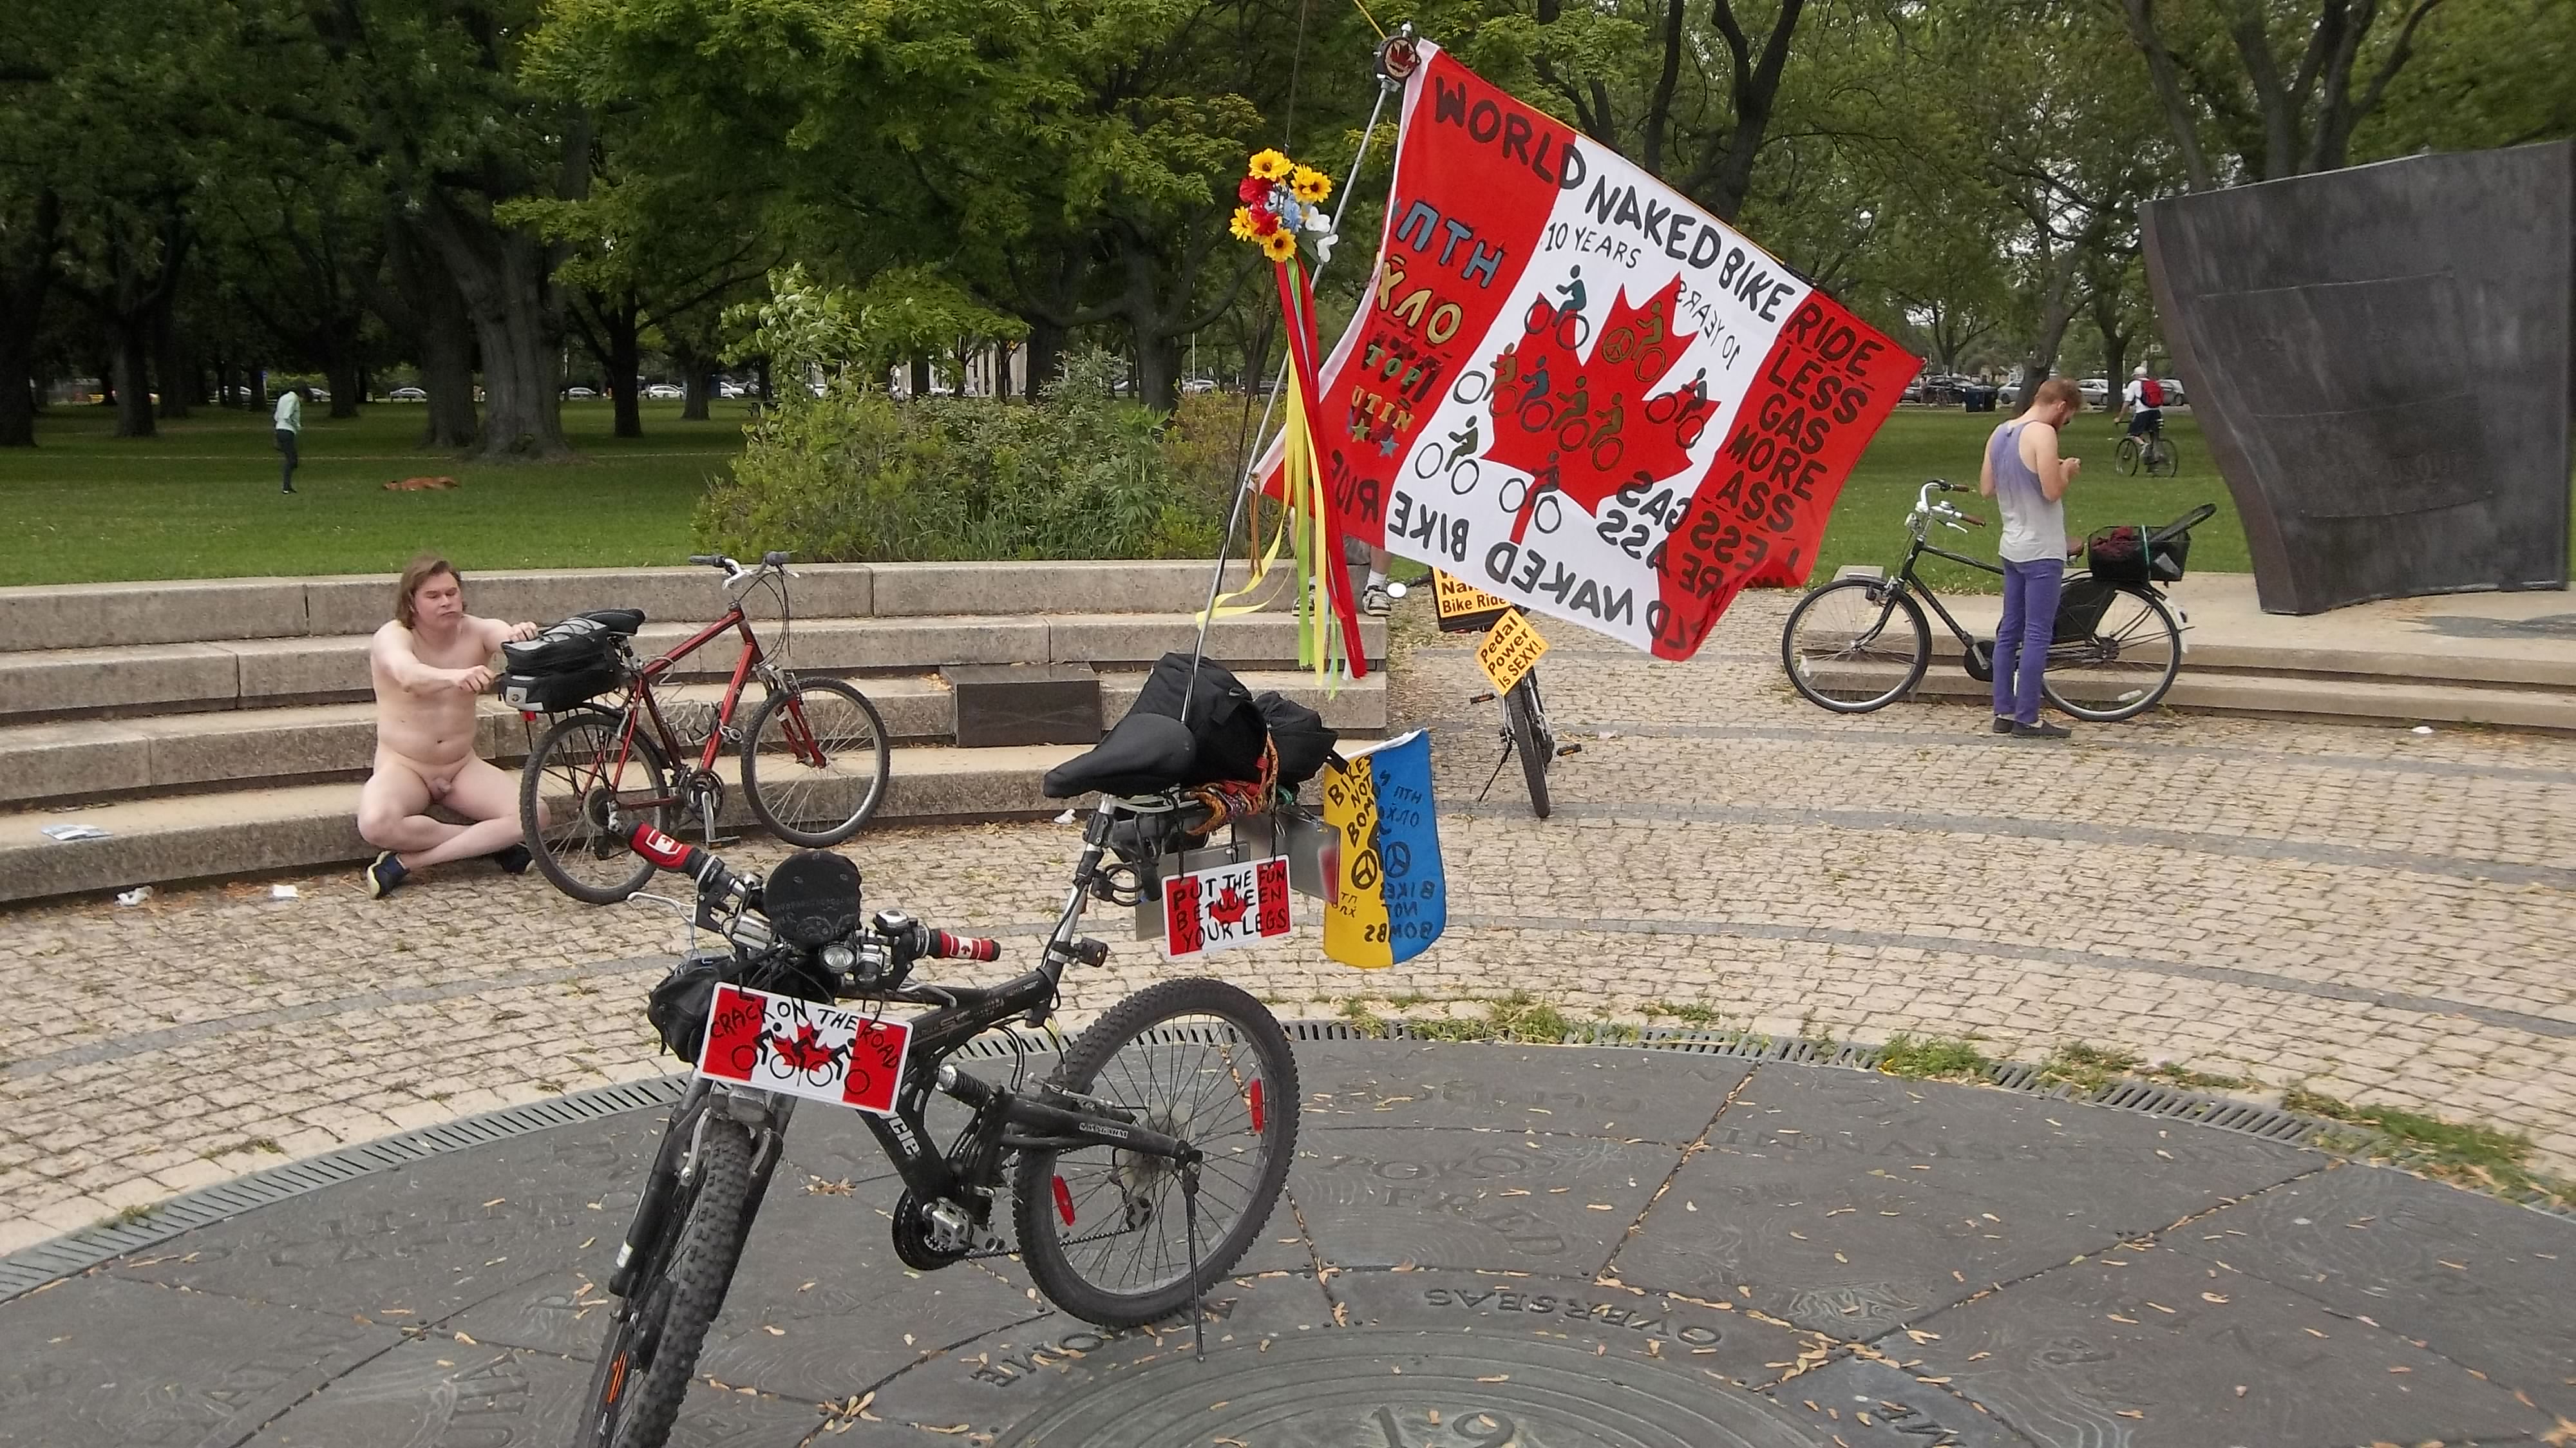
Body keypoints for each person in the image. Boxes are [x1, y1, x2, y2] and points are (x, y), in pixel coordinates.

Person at [357, 555, 542, 898]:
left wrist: (519, 635)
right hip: (405, 765)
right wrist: (455, 677)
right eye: (433, 596)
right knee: (375, 823)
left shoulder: (478, 630)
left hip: (460, 765)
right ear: (411, 603)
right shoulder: (393, 636)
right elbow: (408, 675)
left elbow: (504, 636)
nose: (446, 602)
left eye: (451, 593)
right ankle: (490, 844)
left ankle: (408, 862)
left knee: (535, 816)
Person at [1980, 377, 2083, 740]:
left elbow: (1987, 487)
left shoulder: (2001, 432)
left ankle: (2003, 710)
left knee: (2009, 630)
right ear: (2061, 406)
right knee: (2038, 633)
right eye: (2067, 418)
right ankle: (2028, 718)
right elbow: (2052, 491)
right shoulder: (2043, 433)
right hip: (2042, 548)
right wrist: (2066, 470)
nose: (2064, 423)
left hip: (2012, 543)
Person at [273, 385, 307, 494]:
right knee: (292, 460)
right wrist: (297, 426)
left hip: (279, 429)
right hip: (287, 430)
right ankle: (286, 487)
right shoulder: (294, 399)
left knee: (292, 459)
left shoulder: (283, 398)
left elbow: (276, 416)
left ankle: (287, 486)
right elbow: (287, 416)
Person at [2120, 365, 2164, 443]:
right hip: (2157, 412)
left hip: (2142, 412)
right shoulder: (2154, 383)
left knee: (2132, 434)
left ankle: (2143, 445)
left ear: (2136, 375)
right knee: (2152, 433)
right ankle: (2155, 449)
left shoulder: (2134, 384)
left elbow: (2127, 402)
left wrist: (2120, 417)